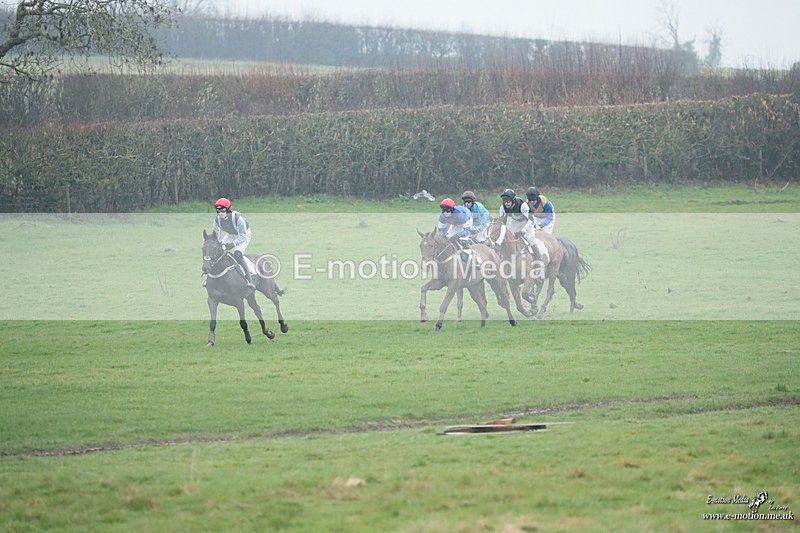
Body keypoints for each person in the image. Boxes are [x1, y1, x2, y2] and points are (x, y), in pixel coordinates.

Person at [212, 197, 255, 290]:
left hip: (244, 235)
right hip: (231, 234)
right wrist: (219, 244)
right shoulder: (217, 219)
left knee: (238, 254)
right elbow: (216, 235)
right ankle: (213, 278)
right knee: (219, 251)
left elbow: (243, 236)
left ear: (228, 210)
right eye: (218, 211)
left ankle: (249, 279)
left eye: (223, 211)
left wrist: (233, 244)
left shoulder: (238, 219)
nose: (220, 213)